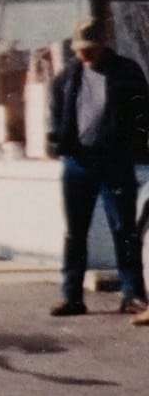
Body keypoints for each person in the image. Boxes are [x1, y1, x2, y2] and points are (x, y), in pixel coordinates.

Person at [48, 17, 149, 317]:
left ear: (103, 45)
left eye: (90, 49)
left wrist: (137, 148)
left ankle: (132, 294)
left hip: (114, 161)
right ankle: (71, 296)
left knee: (124, 228)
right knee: (75, 232)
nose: (84, 55)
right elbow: (56, 114)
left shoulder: (127, 72)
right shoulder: (67, 76)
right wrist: (55, 142)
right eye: (80, 49)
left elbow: (143, 114)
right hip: (77, 162)